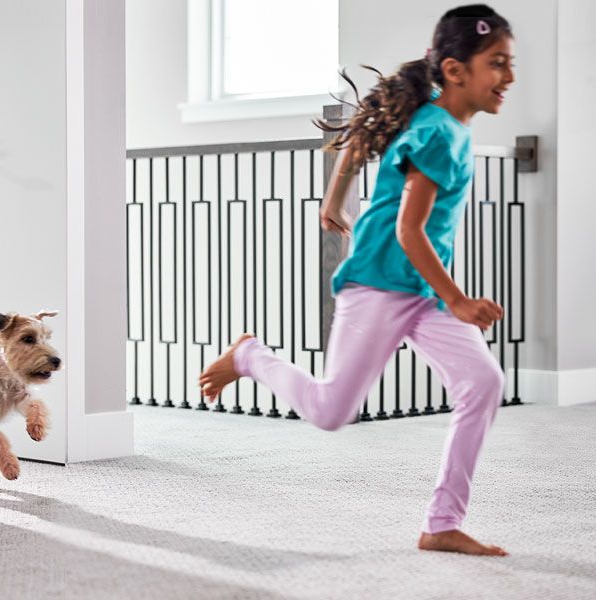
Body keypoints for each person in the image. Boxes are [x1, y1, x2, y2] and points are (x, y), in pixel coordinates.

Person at [197, 4, 517, 557]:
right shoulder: (439, 131)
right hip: (378, 284)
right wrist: (459, 300)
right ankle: (250, 356)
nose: (509, 76)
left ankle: (442, 522)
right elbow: (409, 230)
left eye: (510, 63)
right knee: (329, 412)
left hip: (420, 290)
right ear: (455, 71)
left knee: (483, 382)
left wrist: (335, 194)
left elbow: (366, 128)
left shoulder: (441, 123)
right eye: (498, 63)